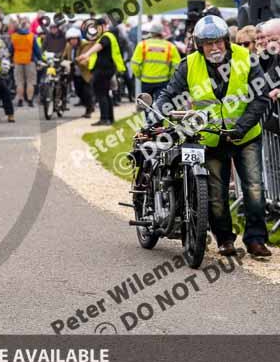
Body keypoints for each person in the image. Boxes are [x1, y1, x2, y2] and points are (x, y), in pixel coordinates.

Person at [154, 15, 272, 258]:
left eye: (219, 42)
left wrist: (241, 127)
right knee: (216, 194)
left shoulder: (246, 58)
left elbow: (260, 97)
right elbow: (169, 93)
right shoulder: (189, 65)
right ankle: (225, 239)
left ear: (226, 42)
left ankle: (256, 240)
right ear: (200, 45)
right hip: (210, 138)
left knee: (255, 188)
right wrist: (160, 112)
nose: (215, 47)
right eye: (209, 43)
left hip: (245, 135)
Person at [77, 18, 126, 126]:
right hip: (107, 69)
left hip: (103, 70)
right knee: (105, 94)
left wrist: (86, 54)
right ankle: (110, 118)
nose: (96, 29)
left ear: (103, 25)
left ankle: (104, 119)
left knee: (101, 94)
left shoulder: (106, 36)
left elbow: (100, 46)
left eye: (97, 27)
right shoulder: (109, 36)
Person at [130, 22, 181, 98]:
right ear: (162, 33)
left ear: (151, 33)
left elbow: (134, 64)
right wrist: (170, 77)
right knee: (160, 106)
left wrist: (139, 75)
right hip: (163, 81)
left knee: (147, 105)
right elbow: (177, 65)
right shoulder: (170, 46)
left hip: (146, 81)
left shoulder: (142, 45)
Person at [62, 28, 94, 118]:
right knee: (78, 91)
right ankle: (89, 105)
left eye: (74, 39)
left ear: (78, 38)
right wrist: (62, 60)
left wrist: (73, 62)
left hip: (86, 72)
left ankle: (89, 109)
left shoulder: (86, 45)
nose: (72, 41)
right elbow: (64, 55)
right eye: (70, 39)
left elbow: (83, 58)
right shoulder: (68, 46)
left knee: (87, 92)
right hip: (75, 72)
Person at [11, 18, 41, 107]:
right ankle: (30, 100)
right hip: (30, 61)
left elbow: (10, 49)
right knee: (30, 82)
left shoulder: (14, 36)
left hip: (18, 61)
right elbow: (37, 50)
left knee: (19, 82)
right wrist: (40, 59)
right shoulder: (31, 36)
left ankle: (20, 100)